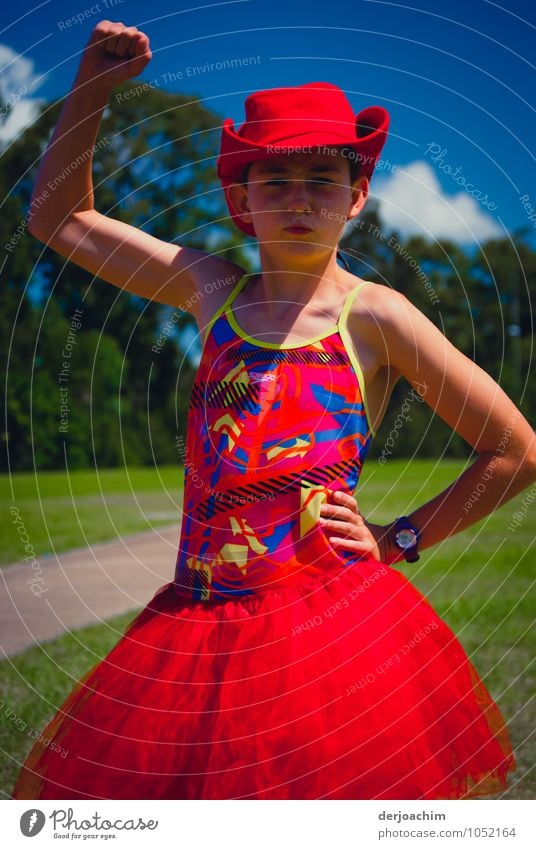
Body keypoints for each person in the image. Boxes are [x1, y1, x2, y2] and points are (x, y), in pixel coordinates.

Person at [12, 20, 536, 801]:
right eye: (275, 180)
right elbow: (60, 221)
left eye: (323, 178)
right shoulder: (210, 289)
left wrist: (400, 536)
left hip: (330, 634)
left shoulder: (377, 317)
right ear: (239, 199)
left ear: (356, 198)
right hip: (197, 623)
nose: (299, 198)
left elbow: (515, 448)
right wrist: (93, 83)